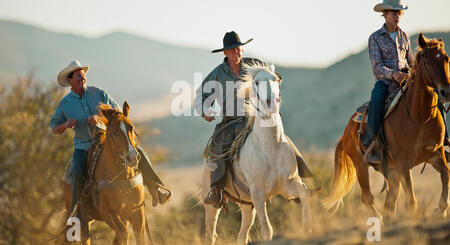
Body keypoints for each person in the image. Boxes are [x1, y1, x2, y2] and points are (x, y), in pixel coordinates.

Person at [194, 31, 314, 208]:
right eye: (232, 50)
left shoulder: (253, 65)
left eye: (238, 48)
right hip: (231, 120)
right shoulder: (217, 74)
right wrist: (205, 112)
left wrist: (274, 83)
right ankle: (217, 189)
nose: (237, 52)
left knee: (282, 139)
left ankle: (296, 178)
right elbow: (200, 96)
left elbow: (274, 76)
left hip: (255, 116)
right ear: (225, 53)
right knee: (218, 144)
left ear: (242, 49)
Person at [50, 60, 172, 216]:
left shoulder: (98, 93)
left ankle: (156, 188)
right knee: (76, 170)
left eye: (83, 76)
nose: (82, 79)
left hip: (105, 139)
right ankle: (76, 211)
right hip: (83, 145)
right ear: (70, 80)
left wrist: (100, 118)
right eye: (79, 77)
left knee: (137, 151)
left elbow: (118, 113)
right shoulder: (65, 104)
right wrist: (66, 123)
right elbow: (54, 127)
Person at [363, 0, 449, 164]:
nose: (397, 16)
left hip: (406, 80)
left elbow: (410, 61)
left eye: (399, 13)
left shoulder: (404, 36)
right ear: (385, 14)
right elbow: (377, 66)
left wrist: (412, 73)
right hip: (386, 82)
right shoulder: (375, 38)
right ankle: (372, 144)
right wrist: (393, 74)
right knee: (377, 100)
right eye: (393, 13)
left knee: (434, 97)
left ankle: (443, 140)